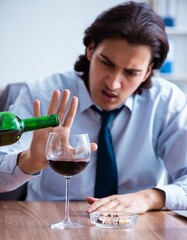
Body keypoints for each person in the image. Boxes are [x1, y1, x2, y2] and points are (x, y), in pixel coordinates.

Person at [0, 1, 187, 214]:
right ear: (90, 50)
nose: (113, 83)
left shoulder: (167, 102)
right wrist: (28, 162)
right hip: (48, 221)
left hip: (135, 225)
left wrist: (151, 197)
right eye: (107, 63)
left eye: (131, 73)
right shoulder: (42, 95)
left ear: (147, 72)